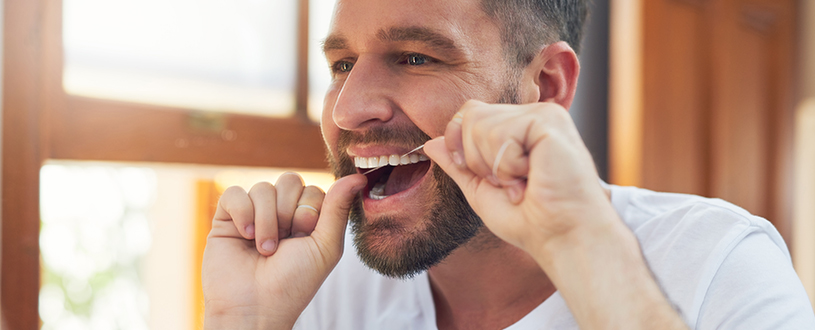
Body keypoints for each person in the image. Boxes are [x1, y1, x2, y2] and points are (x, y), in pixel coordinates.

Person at [201, 0, 815, 328]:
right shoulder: (323, 288)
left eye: (415, 57)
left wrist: (579, 245)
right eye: (342, 65)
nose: (347, 109)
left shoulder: (720, 265)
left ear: (545, 87)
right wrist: (245, 324)